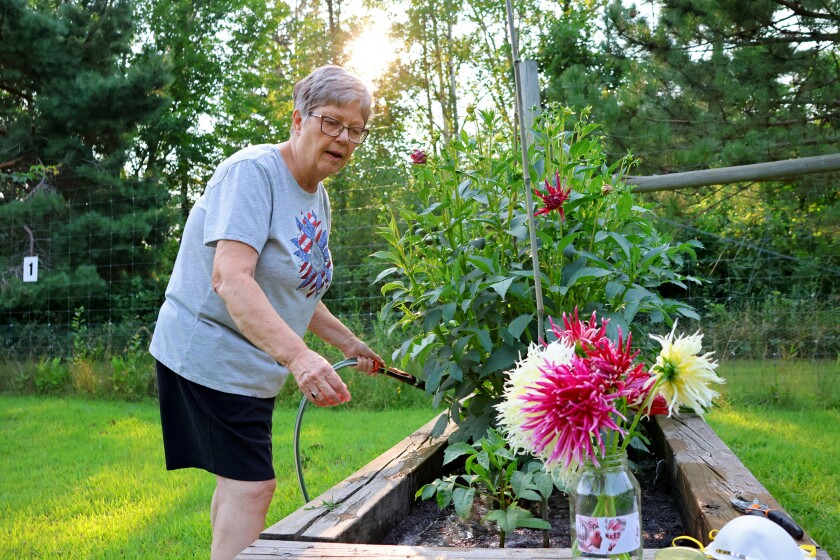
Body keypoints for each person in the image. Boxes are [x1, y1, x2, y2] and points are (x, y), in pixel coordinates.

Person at [149, 65, 383, 560]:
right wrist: (300, 358)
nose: (344, 137)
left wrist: (347, 343)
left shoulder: (317, 196)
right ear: (298, 119)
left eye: (355, 129)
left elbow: (295, 291)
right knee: (253, 487)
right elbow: (231, 278)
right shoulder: (253, 173)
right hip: (208, 352)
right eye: (332, 122)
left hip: (252, 365)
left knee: (238, 485)